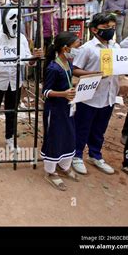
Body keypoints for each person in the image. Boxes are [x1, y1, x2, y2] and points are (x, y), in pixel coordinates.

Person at [0, 8, 43, 155]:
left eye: (18, 17)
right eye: (12, 17)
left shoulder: (21, 38)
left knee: (12, 111)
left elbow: (28, 61)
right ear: (4, 19)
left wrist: (34, 57)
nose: (16, 20)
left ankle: (10, 137)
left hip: (15, 81)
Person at [72, 12, 119, 175]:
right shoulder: (87, 49)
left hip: (109, 95)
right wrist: (94, 74)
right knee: (82, 126)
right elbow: (75, 69)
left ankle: (95, 155)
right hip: (89, 96)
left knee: (100, 128)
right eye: (105, 27)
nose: (110, 30)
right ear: (94, 30)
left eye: (112, 27)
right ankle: (76, 155)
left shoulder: (116, 47)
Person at [41, 32, 81, 190]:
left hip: (67, 107)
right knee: (54, 138)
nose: (78, 50)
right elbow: (45, 92)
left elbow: (68, 81)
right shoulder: (53, 67)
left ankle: (64, 166)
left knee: (69, 135)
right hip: (55, 110)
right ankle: (50, 172)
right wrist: (63, 94)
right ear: (65, 48)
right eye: (76, 47)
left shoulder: (68, 64)